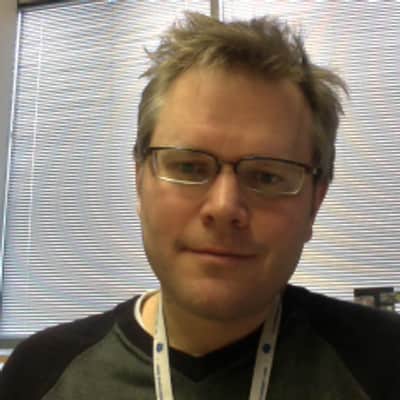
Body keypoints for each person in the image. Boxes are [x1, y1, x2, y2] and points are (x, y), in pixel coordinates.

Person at [1, 12, 399, 400]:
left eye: (267, 176)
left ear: (315, 203)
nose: (224, 207)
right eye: (189, 167)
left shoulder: (387, 364)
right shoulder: (37, 377)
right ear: (140, 181)